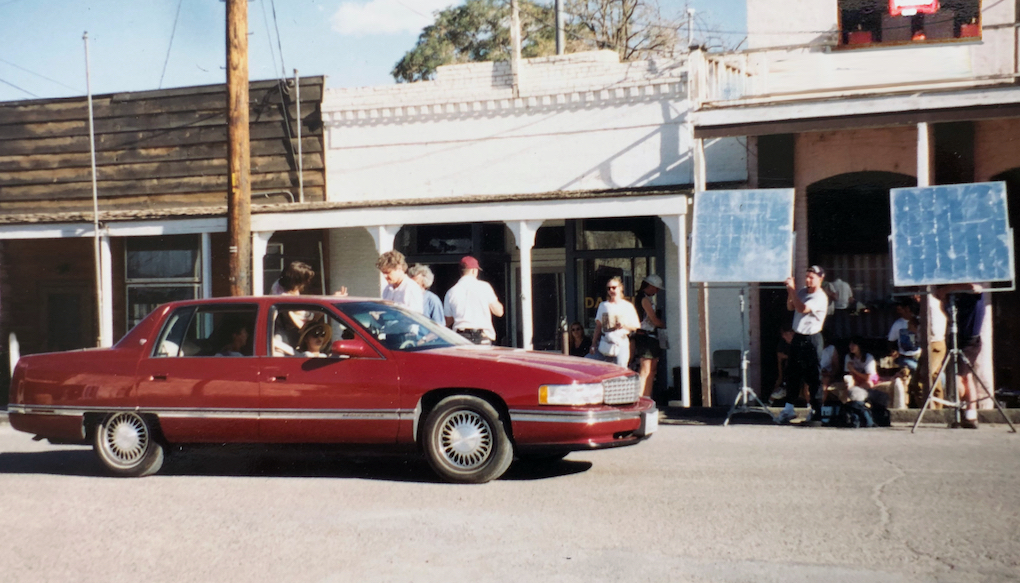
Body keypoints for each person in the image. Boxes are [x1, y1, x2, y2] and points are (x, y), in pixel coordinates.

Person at [781, 265, 829, 426]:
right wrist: (790, 291)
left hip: (812, 338)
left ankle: (815, 410)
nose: (808, 280)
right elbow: (790, 307)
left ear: (820, 279)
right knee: (792, 372)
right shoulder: (801, 291)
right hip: (798, 336)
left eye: (812, 277)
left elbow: (802, 308)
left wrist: (793, 290)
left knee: (813, 376)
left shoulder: (819, 297)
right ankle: (788, 408)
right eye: (807, 276)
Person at [935, 284, 986, 428]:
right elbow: (945, 309)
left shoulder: (971, 294)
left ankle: (963, 410)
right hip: (956, 338)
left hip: (970, 340)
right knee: (966, 377)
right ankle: (969, 415)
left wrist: (948, 289)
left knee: (959, 378)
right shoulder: (953, 298)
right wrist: (944, 296)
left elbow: (975, 287)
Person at [444, 256, 504, 345]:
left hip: (460, 337)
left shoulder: (451, 292)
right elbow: (499, 312)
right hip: (482, 336)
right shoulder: (484, 287)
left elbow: (447, 320)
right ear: (473, 270)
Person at [587, 276, 640, 368]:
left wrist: (624, 325)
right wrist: (593, 344)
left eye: (614, 287)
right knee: (589, 364)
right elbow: (598, 326)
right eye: (608, 288)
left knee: (620, 370)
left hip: (621, 342)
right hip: (605, 341)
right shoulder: (603, 305)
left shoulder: (627, 306)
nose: (611, 290)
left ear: (620, 288)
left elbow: (636, 326)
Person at [633, 274, 666, 398]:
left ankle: (647, 396)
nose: (657, 291)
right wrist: (662, 324)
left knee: (652, 369)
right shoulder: (643, 299)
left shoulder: (647, 298)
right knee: (645, 369)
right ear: (650, 286)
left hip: (651, 336)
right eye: (656, 288)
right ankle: (641, 398)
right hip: (645, 336)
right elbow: (653, 319)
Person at [823, 272, 854, 340]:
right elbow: (850, 298)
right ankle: (847, 339)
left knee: (837, 327)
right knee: (846, 326)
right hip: (845, 308)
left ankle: (838, 340)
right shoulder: (846, 285)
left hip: (835, 308)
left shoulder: (832, 284)